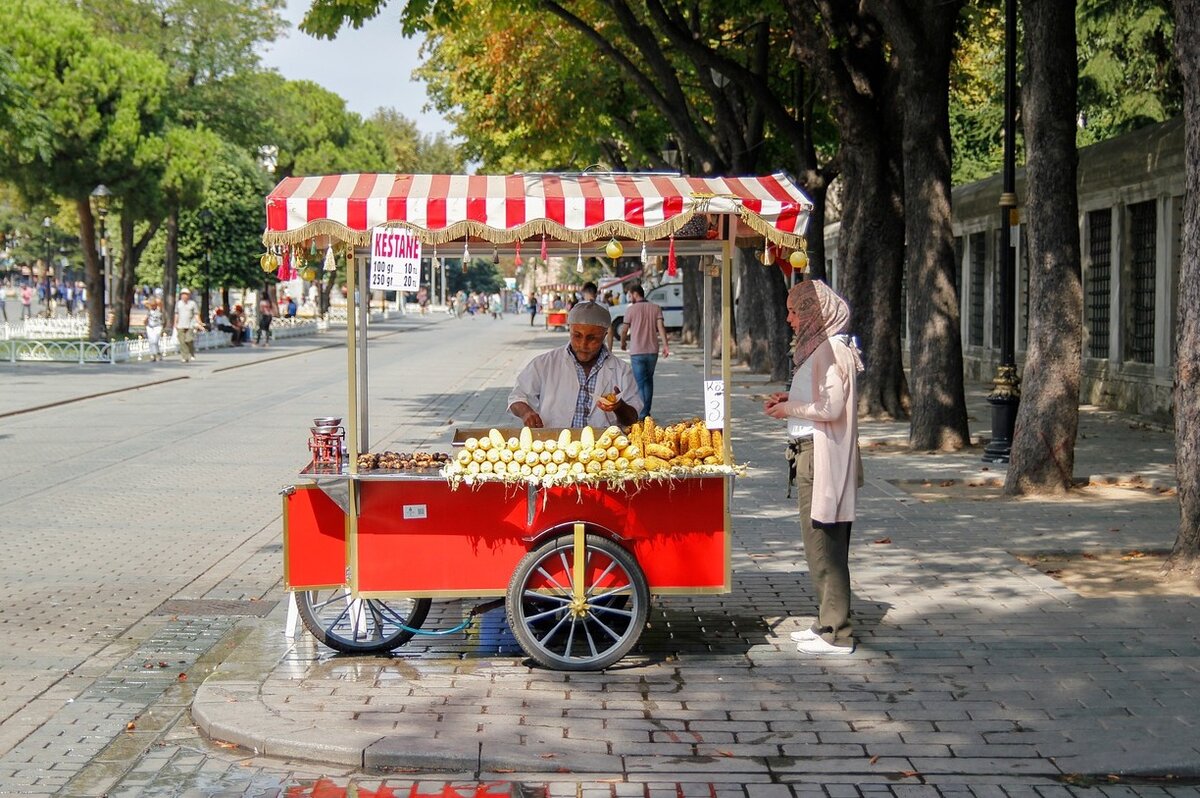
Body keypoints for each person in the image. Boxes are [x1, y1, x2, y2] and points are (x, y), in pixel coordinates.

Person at [764, 280, 864, 656]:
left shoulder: (831, 348)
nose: (789, 318)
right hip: (811, 451)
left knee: (825, 542)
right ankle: (825, 621)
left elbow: (831, 409)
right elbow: (822, 398)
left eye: (795, 311)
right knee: (816, 541)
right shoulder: (820, 348)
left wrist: (790, 409)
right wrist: (793, 398)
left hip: (820, 455)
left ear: (814, 313)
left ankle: (837, 631)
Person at [508, 301, 642, 429]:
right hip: (555, 447)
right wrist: (526, 412)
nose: (583, 344)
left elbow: (632, 419)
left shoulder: (622, 370)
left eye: (592, 338)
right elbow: (517, 397)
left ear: (604, 335)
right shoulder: (544, 364)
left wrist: (619, 406)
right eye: (577, 336)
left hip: (601, 449)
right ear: (570, 331)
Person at [620, 284, 670, 420]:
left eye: (630, 295)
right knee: (648, 381)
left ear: (636, 294)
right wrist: (666, 346)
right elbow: (661, 328)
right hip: (652, 350)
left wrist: (623, 342)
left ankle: (642, 413)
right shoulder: (656, 308)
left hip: (637, 351)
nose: (630, 297)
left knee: (640, 383)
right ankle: (646, 412)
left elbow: (624, 330)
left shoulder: (630, 310)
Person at [174, 287, 203, 363]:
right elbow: (176, 314)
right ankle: (185, 356)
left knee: (189, 340)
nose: (184, 296)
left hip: (190, 324)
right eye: (183, 294)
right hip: (180, 325)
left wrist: (199, 322)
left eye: (186, 294)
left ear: (189, 295)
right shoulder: (179, 303)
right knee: (182, 341)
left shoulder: (192, 303)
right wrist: (175, 323)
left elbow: (196, 314)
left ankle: (191, 352)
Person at [144, 297, 164, 362]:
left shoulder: (159, 309)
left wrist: (155, 301)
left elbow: (160, 302)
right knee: (151, 341)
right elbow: (144, 302)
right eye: (151, 305)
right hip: (150, 327)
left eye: (153, 305)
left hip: (157, 326)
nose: (152, 306)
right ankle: (153, 355)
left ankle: (157, 353)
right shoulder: (149, 310)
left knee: (155, 341)